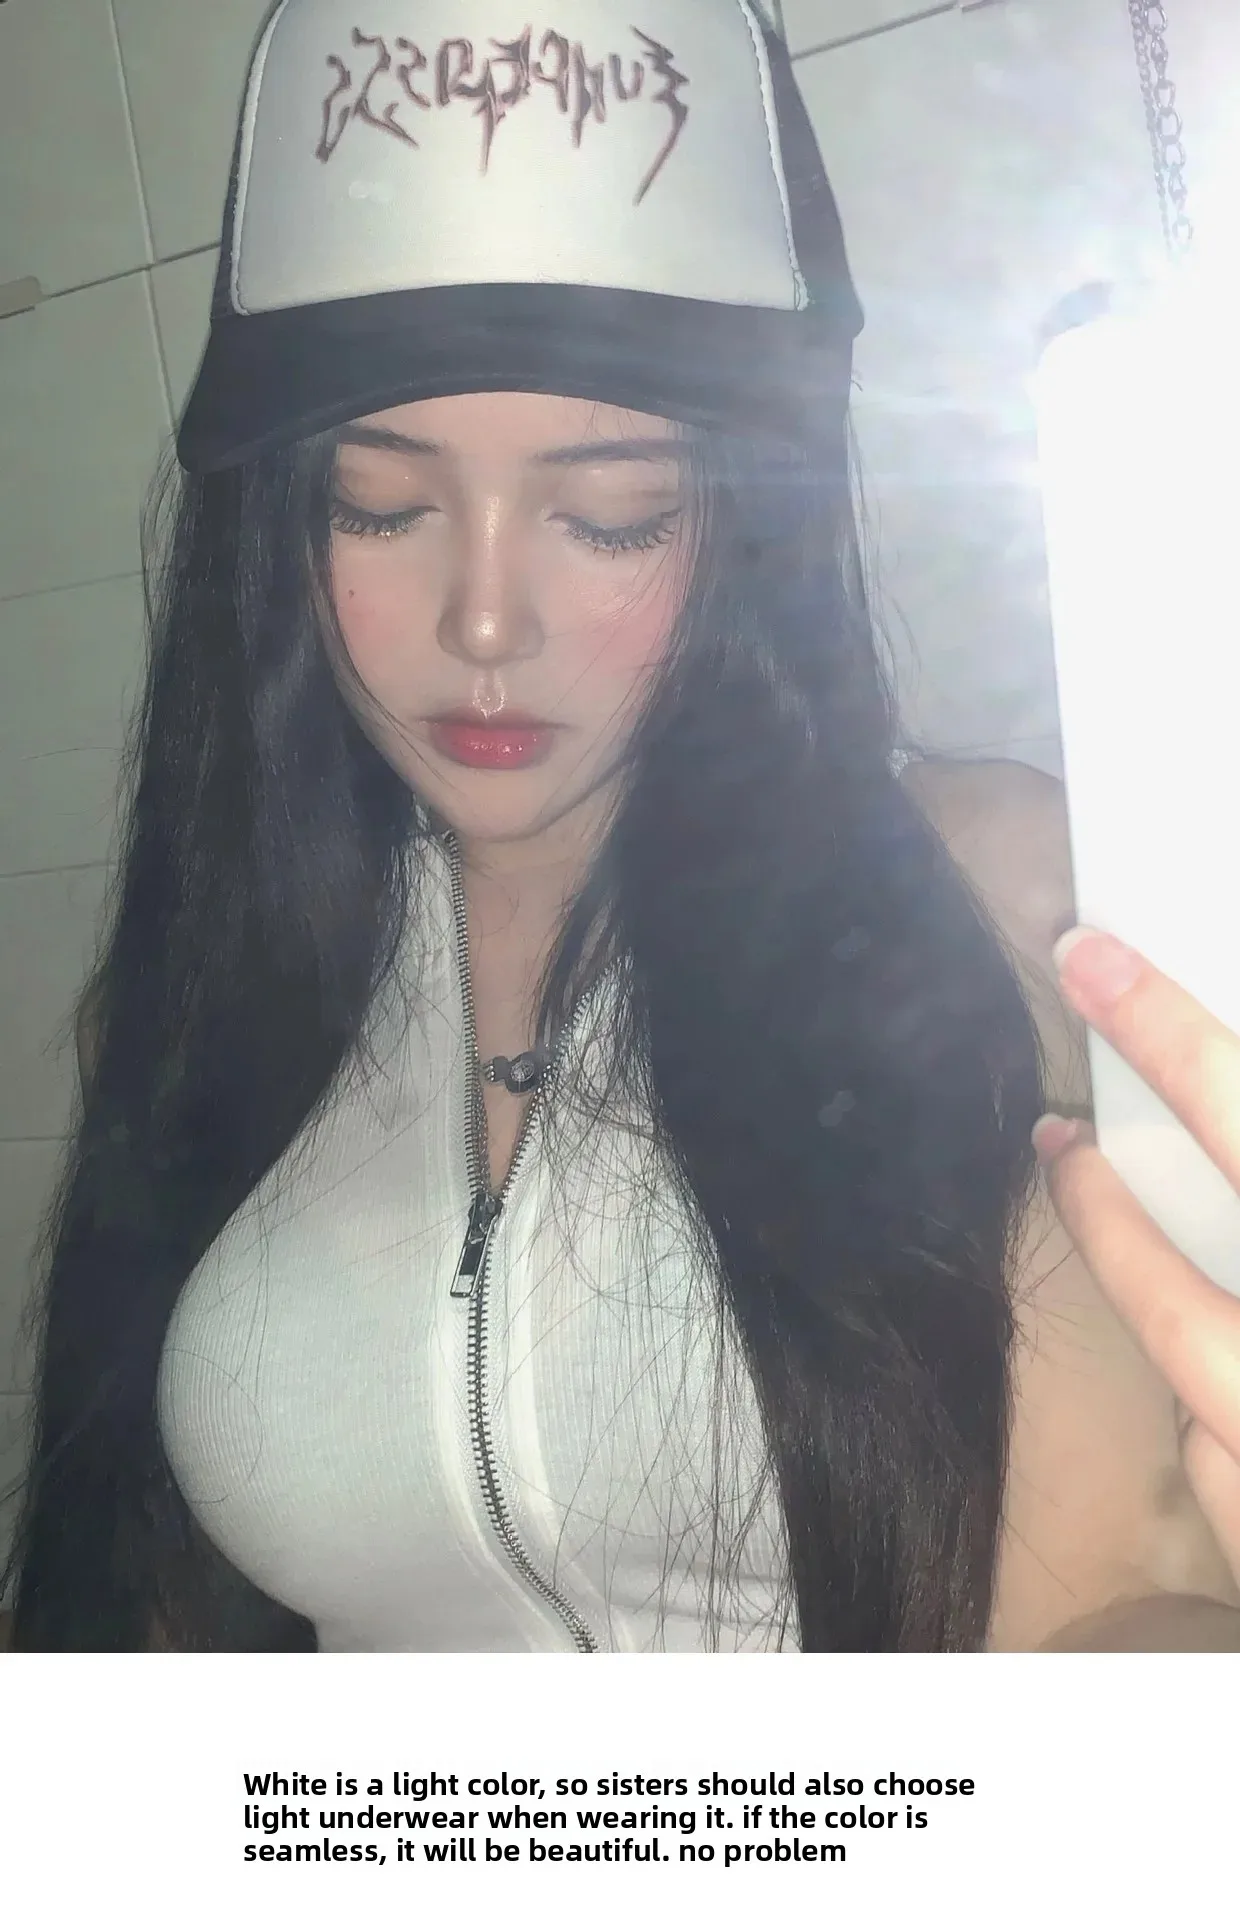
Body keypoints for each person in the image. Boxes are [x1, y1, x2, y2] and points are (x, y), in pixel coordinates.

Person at [6, 0, 1240, 1653]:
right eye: (380, 502)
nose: (486, 621)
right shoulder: (208, 986)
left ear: (739, 516)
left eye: (612, 514)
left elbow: (1128, 1611)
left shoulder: (1006, 898)